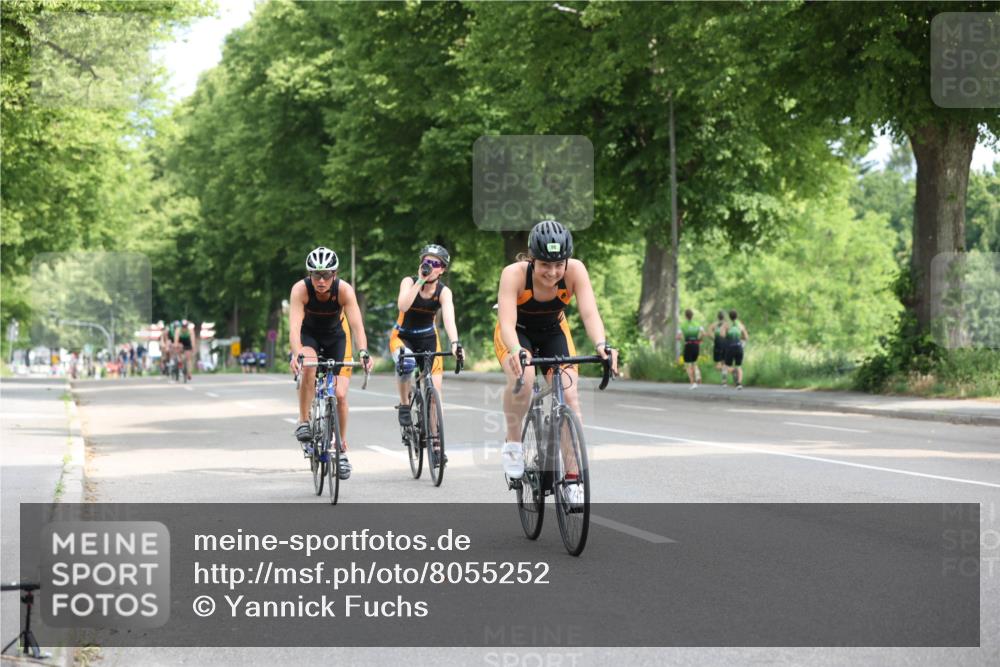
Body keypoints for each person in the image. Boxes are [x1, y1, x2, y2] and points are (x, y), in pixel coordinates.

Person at [494, 220, 618, 507]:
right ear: (531, 259)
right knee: (523, 381)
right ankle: (513, 444)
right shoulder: (513, 275)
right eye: (544, 265)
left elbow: (589, 314)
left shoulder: (576, 271)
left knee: (570, 395)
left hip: (553, 330)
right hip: (517, 332)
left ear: (567, 260)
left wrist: (602, 345)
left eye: (558, 264)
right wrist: (517, 351)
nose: (552, 272)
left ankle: (573, 479)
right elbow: (507, 324)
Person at [288, 246, 373, 480]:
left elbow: (357, 326)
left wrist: (364, 351)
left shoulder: (344, 290)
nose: (321, 280)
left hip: (336, 337)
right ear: (309, 275)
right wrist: (297, 354)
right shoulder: (301, 290)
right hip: (309, 336)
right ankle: (304, 420)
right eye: (316, 275)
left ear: (334, 275)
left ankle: (341, 449)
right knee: (309, 365)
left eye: (326, 275)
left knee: (341, 394)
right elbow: (294, 327)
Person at [389, 244, 463, 465]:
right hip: (403, 337)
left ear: (443, 270)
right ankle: (404, 404)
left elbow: (449, 318)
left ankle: (436, 444)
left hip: (428, 338)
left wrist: (455, 342)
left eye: (436, 264)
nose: (430, 267)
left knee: (435, 394)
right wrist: (420, 280)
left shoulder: (444, 292)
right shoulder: (409, 282)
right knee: (407, 364)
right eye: (427, 262)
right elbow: (403, 306)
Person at [675, 309, 704, 388]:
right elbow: (703, 334)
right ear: (692, 315)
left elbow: (678, 336)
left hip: (688, 345)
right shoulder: (697, 324)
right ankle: (697, 375)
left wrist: (678, 338)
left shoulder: (683, 325)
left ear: (685, 316)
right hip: (696, 345)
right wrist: (699, 339)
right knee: (694, 362)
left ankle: (693, 382)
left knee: (688, 364)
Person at [721, 309, 749, 389]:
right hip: (739, 346)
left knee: (726, 365)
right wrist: (740, 337)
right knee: (739, 366)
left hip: (730, 347)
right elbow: (746, 337)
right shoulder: (740, 325)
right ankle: (739, 384)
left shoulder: (726, 324)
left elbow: (722, 335)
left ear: (729, 317)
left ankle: (724, 383)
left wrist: (727, 335)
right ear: (737, 316)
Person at [706, 310, 727, 385]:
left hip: (718, 343)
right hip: (725, 343)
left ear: (718, 317)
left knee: (718, 365)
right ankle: (724, 381)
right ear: (724, 317)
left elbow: (708, 333)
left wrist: (714, 338)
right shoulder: (727, 325)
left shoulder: (714, 324)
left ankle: (732, 370)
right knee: (724, 362)